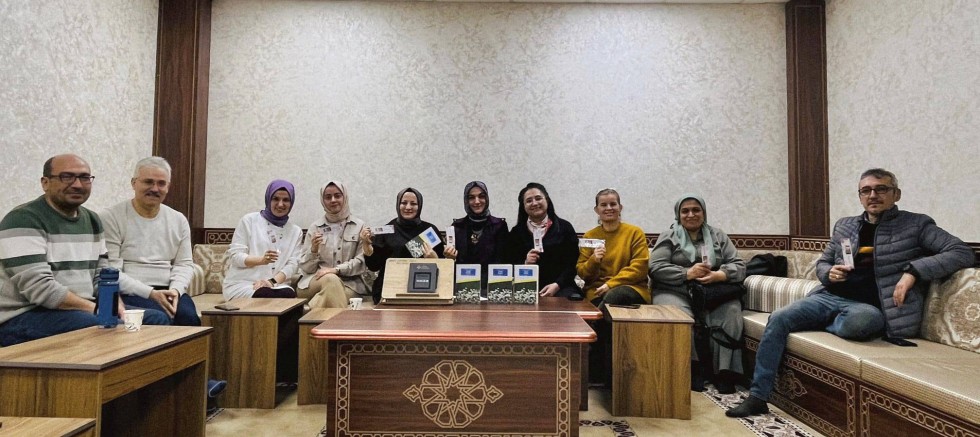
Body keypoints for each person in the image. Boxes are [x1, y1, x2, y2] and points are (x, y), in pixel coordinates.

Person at [727, 169, 974, 417]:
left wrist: (913, 272)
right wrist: (829, 273)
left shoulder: (917, 225)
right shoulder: (845, 226)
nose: (873, 195)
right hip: (828, 296)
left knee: (861, 322)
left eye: (881, 189)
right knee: (779, 317)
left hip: (870, 308)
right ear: (860, 196)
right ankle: (758, 397)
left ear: (896, 194)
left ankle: (826, 322)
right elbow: (823, 263)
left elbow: (961, 252)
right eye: (866, 190)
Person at [0, 154, 169, 347]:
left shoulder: (92, 220)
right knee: (105, 328)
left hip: (80, 310)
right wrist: (98, 310)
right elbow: (41, 289)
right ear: (45, 183)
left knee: (156, 320)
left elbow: (102, 275)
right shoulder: (23, 220)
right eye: (67, 177)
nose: (77, 184)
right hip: (24, 315)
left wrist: (115, 305)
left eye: (84, 177)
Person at [101, 156, 226, 399]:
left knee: (188, 317)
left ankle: (196, 384)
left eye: (161, 183)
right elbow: (111, 271)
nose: (155, 188)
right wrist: (151, 293)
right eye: (148, 182)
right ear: (134, 183)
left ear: (168, 187)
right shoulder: (112, 217)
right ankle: (168, 389)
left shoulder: (177, 219)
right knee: (160, 319)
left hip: (168, 289)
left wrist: (176, 291)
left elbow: (184, 264)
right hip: (130, 292)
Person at [649, 194, 746, 393]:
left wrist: (719, 275)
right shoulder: (669, 236)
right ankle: (690, 369)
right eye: (685, 211)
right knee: (677, 314)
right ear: (678, 214)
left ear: (704, 212)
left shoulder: (718, 236)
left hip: (712, 291)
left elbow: (739, 265)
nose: (691, 214)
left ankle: (725, 372)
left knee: (731, 312)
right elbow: (655, 267)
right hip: (675, 290)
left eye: (696, 210)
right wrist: (687, 273)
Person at [577, 188, 650, 386]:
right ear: (596, 210)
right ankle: (606, 374)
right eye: (604, 205)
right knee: (603, 305)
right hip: (596, 291)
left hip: (631, 288)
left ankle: (595, 365)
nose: (609, 208)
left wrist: (611, 284)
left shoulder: (634, 233)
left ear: (620, 207)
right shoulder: (590, 236)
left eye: (613, 204)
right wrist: (594, 260)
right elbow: (583, 273)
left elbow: (640, 267)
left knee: (612, 299)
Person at [222, 180, 303, 301]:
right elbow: (235, 257)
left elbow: (292, 265)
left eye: (286, 200)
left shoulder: (295, 231)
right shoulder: (249, 221)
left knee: (288, 294)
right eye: (275, 199)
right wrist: (262, 260)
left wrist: (271, 282)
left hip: (276, 285)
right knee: (268, 296)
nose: (280, 204)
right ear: (268, 199)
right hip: (243, 284)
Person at [363, 188, 444, 304]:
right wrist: (366, 245)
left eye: (413, 204)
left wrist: (434, 259)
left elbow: (444, 269)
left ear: (420, 206)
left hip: (424, 288)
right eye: (404, 203)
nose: (408, 207)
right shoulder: (387, 230)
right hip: (390, 289)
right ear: (398, 204)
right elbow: (374, 266)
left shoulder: (430, 231)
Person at [297, 181, 371, 308]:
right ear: (322, 201)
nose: (333, 200)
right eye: (328, 197)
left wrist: (336, 270)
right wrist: (313, 250)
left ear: (345, 197)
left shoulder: (359, 226)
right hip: (315, 281)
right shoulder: (315, 227)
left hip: (349, 284)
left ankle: (314, 317)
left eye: (337, 196)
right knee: (331, 280)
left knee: (331, 290)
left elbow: (361, 263)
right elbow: (306, 268)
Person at [507, 183, 581, 298]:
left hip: (561, 286)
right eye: (529, 201)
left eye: (538, 198)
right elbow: (508, 263)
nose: (534, 203)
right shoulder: (516, 233)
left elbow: (573, 263)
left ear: (547, 200)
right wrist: (525, 263)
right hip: (526, 286)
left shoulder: (564, 227)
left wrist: (557, 285)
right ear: (523, 206)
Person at [444, 181, 508, 291]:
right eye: (471, 198)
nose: (477, 201)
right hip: (462, 287)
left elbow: (503, 262)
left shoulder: (499, 226)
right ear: (466, 201)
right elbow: (452, 264)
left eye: (481, 196)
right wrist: (449, 258)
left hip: (491, 288)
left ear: (487, 199)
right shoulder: (457, 227)